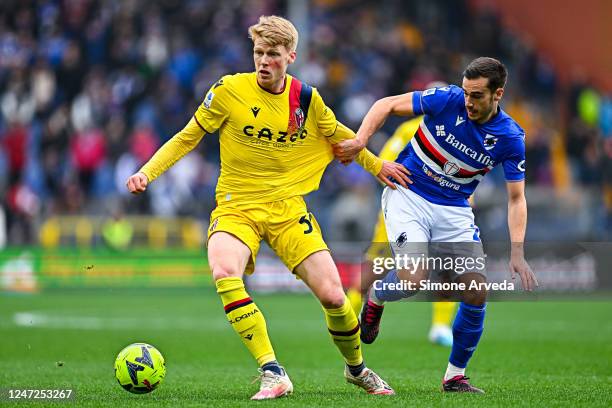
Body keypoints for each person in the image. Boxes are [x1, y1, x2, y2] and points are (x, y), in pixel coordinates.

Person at [126, 16, 409, 400]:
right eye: (258, 52)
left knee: (334, 297)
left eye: (272, 54)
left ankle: (357, 369)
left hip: (287, 209)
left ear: (290, 56)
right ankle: (272, 371)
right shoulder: (228, 90)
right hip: (235, 207)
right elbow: (186, 137)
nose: (263, 61)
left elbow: (340, 135)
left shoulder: (305, 98)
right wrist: (146, 172)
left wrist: (378, 167)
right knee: (224, 270)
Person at [334, 57, 538, 393]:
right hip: (408, 195)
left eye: (476, 96)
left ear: (498, 94)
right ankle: (377, 295)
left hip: (455, 207)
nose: (468, 101)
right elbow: (385, 104)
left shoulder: (510, 137)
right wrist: (360, 141)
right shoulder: (447, 99)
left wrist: (518, 251)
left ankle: (454, 375)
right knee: (414, 278)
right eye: (466, 92)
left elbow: (517, 198)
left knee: (476, 289)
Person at [347, 112, 457, 348]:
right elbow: (383, 164)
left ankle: (440, 327)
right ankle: (346, 319)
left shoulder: (459, 132)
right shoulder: (410, 129)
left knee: (447, 268)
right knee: (374, 270)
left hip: (440, 212)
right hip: (401, 213)